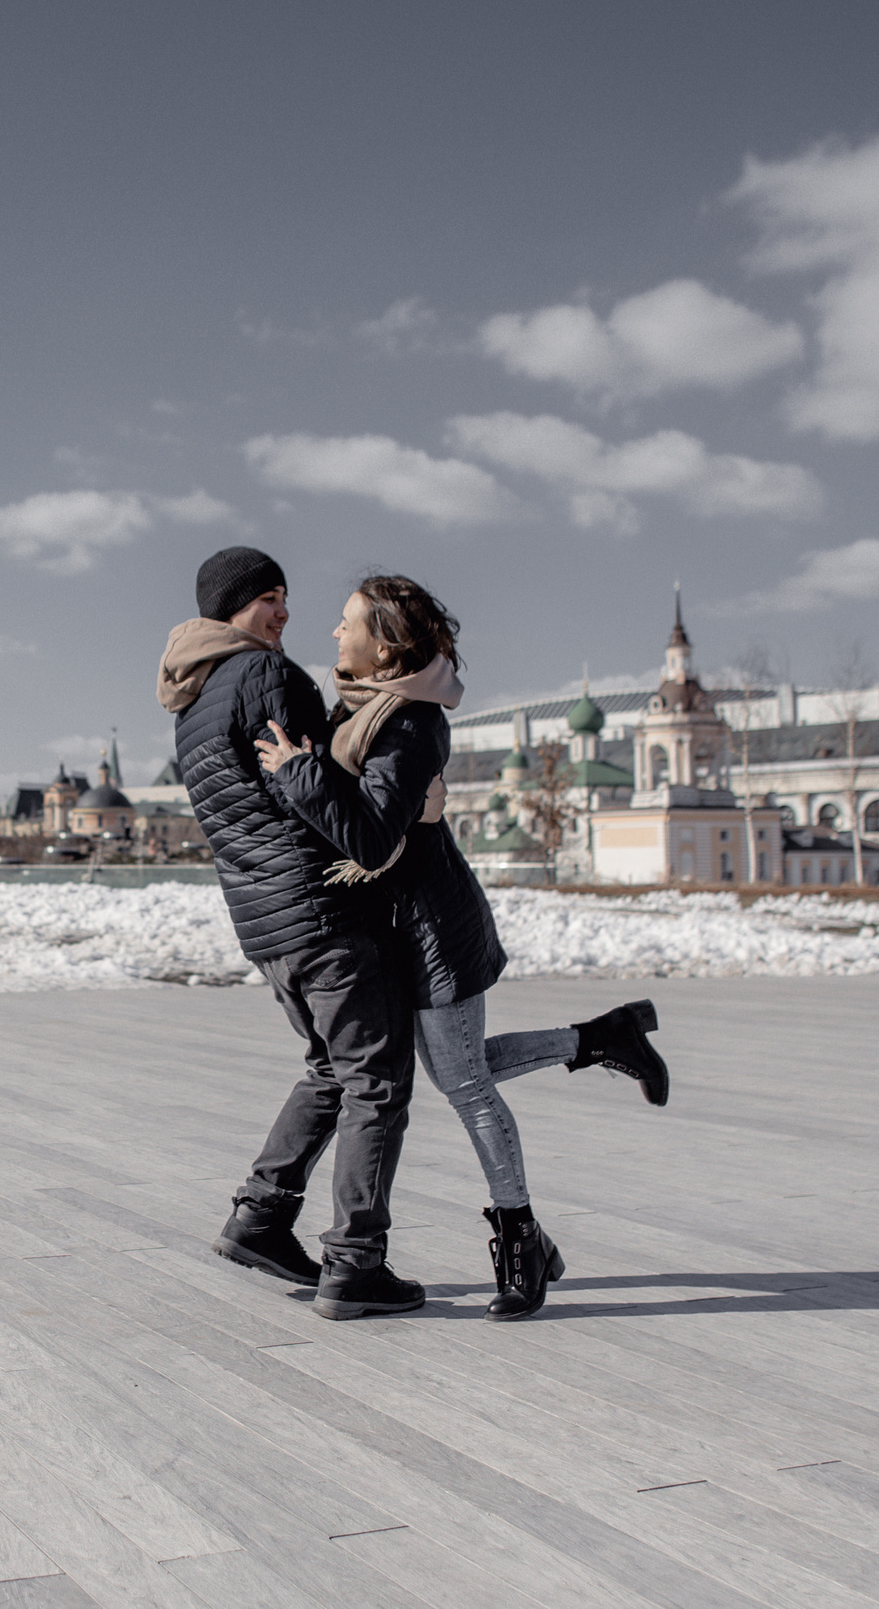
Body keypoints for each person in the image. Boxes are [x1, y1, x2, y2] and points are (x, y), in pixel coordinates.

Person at [257, 574, 670, 1321]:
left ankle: (521, 1241)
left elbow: (371, 832)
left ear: (383, 644)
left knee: (467, 1085)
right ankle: (603, 1036)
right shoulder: (360, 712)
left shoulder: (410, 722)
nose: (333, 632)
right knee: (461, 1070)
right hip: (402, 926)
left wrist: (298, 774)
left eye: (346, 621)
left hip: (434, 928)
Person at [159, 546, 426, 1319]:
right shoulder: (267, 677)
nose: (284, 612)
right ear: (233, 605)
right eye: (270, 598)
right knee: (376, 1080)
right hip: (320, 909)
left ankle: (261, 1218)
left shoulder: (195, 697)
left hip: (265, 921)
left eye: (286, 597)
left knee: (330, 1068)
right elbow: (317, 788)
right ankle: (355, 1264)